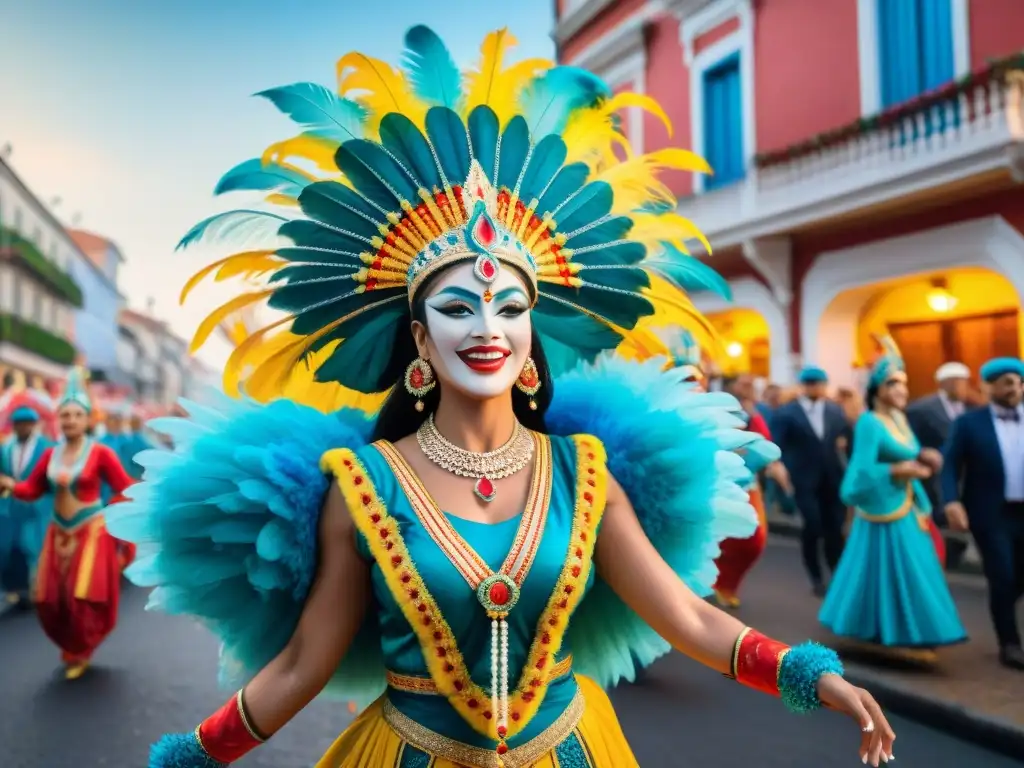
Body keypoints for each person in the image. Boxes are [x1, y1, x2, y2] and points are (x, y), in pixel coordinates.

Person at [106, 26, 894, 768]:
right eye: (457, 308)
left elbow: (688, 618)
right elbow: (304, 667)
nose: (488, 327)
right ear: (419, 341)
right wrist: (192, 755)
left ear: (530, 339)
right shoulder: (363, 487)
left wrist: (806, 673)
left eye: (510, 309)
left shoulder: (584, 475)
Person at [819, 336, 966, 661]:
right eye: (893, 384)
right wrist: (896, 471)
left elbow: (908, 450)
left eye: (904, 384)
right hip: (883, 508)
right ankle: (893, 634)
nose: (902, 390)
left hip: (906, 505)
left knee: (918, 566)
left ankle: (911, 632)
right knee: (896, 570)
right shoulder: (870, 422)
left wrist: (923, 454)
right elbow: (860, 470)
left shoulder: (900, 419)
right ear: (878, 389)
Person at [0, 368, 135, 679]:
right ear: (58, 421)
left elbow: (124, 487)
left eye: (77, 415)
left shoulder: (100, 452)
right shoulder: (50, 454)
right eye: (65, 416)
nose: (71, 420)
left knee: (81, 596)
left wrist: (110, 515)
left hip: (90, 530)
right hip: (58, 529)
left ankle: (81, 651)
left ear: (87, 420)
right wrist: (9, 484)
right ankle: (69, 644)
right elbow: (33, 489)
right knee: (49, 598)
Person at [941, 357, 1024, 671]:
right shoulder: (968, 423)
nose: (1013, 387)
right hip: (991, 513)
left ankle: (1003, 606)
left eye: (1017, 381)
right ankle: (1010, 643)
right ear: (988, 387)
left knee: (1016, 578)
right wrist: (951, 501)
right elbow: (950, 465)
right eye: (1005, 381)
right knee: (1001, 574)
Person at [715, 372, 793, 608]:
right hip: (725, 482)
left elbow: (767, 443)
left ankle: (725, 583)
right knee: (726, 539)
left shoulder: (759, 411)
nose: (748, 385)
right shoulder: (721, 407)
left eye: (751, 382)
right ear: (732, 386)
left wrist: (776, 467)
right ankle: (717, 581)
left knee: (755, 540)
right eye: (743, 381)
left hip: (751, 483)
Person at [770, 366, 848, 596]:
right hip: (802, 479)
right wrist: (779, 470)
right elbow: (777, 446)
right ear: (803, 386)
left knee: (835, 528)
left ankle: (837, 574)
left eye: (819, 383)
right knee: (812, 526)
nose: (815, 387)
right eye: (810, 383)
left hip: (832, 479)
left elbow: (843, 439)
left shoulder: (835, 412)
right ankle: (815, 576)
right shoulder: (786, 413)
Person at [907, 362, 972, 568]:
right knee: (939, 518)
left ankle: (950, 557)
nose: (965, 387)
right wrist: (922, 456)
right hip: (934, 477)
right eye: (961, 383)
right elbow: (909, 440)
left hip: (967, 475)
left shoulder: (972, 407)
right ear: (948, 384)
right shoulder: (922, 408)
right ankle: (936, 561)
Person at [0, 405, 52, 607]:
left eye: (25, 424)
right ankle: (16, 589)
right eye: (17, 424)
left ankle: (37, 589)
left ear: (33, 425)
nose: (21, 428)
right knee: (11, 547)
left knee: (34, 546)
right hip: (13, 506)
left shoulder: (48, 447)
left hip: (38, 507)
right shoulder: (6, 448)